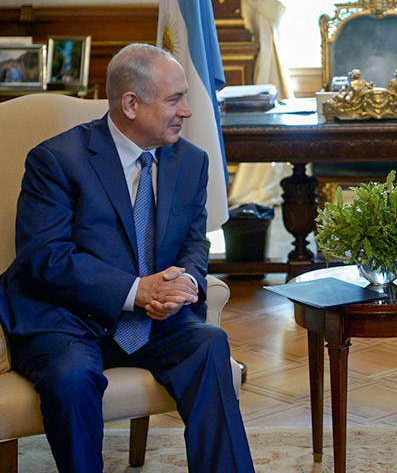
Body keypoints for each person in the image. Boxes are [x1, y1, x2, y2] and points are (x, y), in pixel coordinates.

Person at [0, 44, 255, 473]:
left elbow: (196, 241)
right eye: (174, 99)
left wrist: (187, 283)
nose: (188, 111)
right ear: (131, 104)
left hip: (151, 324)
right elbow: (44, 257)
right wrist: (137, 291)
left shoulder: (190, 161)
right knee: (71, 379)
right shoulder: (57, 160)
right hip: (66, 320)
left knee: (209, 343)